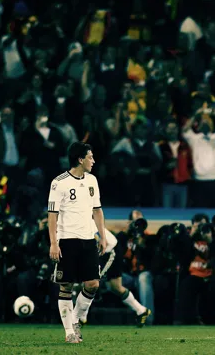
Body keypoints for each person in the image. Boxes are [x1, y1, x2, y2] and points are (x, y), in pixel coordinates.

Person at [48, 142, 107, 344]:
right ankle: (69, 332)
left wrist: (103, 236)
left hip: (88, 239)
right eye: (90, 157)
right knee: (66, 286)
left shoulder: (92, 180)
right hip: (67, 240)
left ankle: (76, 319)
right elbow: (52, 215)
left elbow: (97, 210)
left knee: (93, 284)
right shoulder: (59, 182)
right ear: (80, 159)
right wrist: (54, 243)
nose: (93, 161)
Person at [94, 227, 152, 327]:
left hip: (109, 251)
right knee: (115, 287)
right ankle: (141, 310)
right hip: (107, 251)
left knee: (91, 282)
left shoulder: (84, 222)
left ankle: (78, 318)